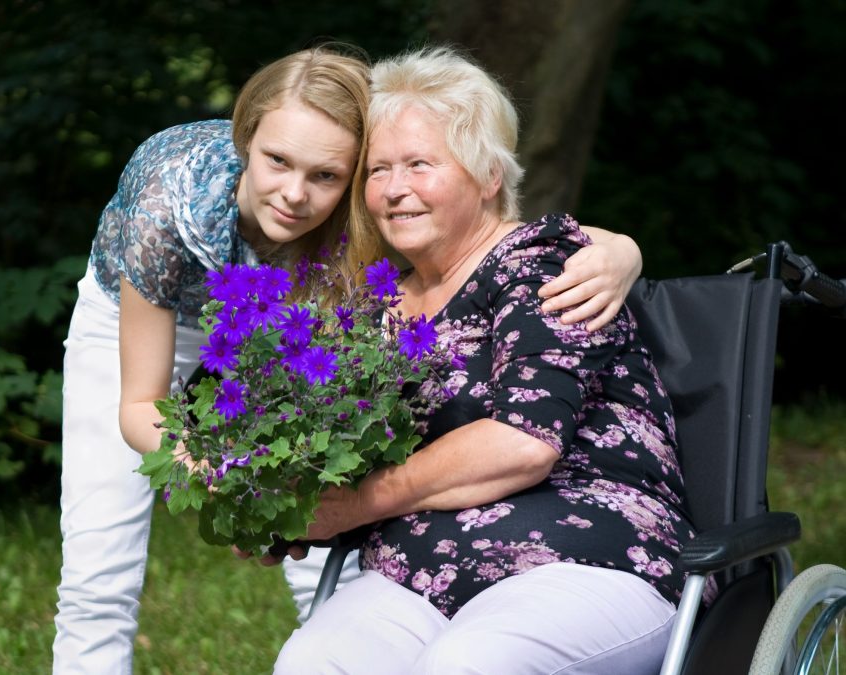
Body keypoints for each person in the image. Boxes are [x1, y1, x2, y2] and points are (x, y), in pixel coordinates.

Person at [53, 45, 644, 674]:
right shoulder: (169, 192)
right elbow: (139, 405)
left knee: (316, 534)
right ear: (243, 138)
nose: (294, 194)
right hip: (146, 312)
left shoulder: (372, 202)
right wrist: (228, 474)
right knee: (100, 563)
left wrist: (620, 250)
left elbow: (500, 225)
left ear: (354, 171)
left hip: (275, 321)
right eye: (275, 160)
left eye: (328, 176)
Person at [273, 47, 699, 675]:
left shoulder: (546, 267)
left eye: (420, 164)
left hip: (583, 553)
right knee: (312, 663)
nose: (395, 190)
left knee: (469, 665)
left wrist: (359, 504)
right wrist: (279, 506)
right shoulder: (372, 309)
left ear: (488, 177)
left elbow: (524, 442)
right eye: (379, 169)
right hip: (417, 574)